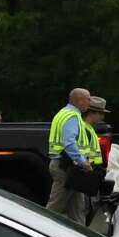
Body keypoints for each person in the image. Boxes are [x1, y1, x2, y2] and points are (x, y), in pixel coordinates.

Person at [46, 88, 92, 224]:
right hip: (66, 167)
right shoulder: (72, 116)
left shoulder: (63, 113)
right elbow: (69, 142)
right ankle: (40, 232)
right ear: (79, 100)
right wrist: (82, 161)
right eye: (88, 99)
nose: (90, 102)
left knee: (78, 209)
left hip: (66, 166)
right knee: (54, 207)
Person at [79, 97, 111, 226]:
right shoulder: (86, 130)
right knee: (84, 208)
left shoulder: (89, 129)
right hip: (86, 174)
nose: (102, 117)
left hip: (90, 174)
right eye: (101, 113)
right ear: (92, 113)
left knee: (81, 209)